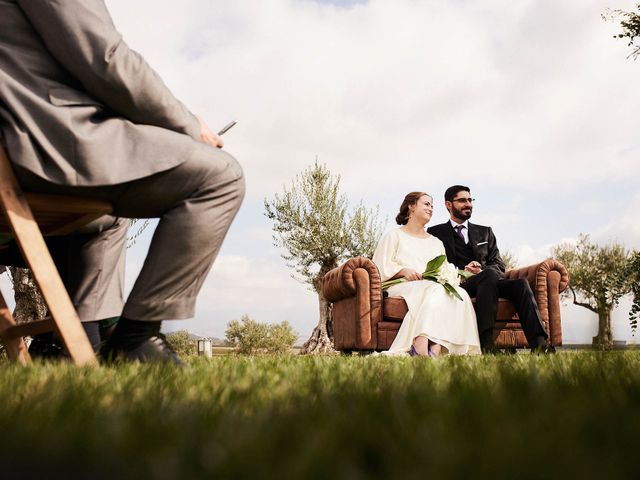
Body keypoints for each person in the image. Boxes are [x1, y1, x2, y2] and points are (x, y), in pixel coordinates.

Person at [0, 0, 245, 362]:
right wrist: (190, 127)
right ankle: (135, 339)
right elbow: (105, 58)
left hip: (18, 149)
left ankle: (72, 345)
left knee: (106, 220)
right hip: (35, 143)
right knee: (220, 175)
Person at [427, 185, 551, 353]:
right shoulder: (435, 232)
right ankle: (486, 344)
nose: (468, 204)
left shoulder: (485, 232)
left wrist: (482, 270)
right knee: (488, 275)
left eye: (470, 200)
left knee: (520, 284)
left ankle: (540, 345)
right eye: (463, 200)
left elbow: (499, 265)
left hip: (489, 281)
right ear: (448, 204)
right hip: (460, 284)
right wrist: (464, 270)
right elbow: (437, 265)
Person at [373, 192, 481, 356]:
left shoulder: (436, 242)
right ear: (411, 206)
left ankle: (436, 346)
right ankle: (424, 343)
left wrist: (460, 272)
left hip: (431, 287)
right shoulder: (394, 236)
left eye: (432, 206)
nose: (430, 208)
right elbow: (379, 267)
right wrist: (403, 270)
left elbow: (443, 268)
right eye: (426, 204)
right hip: (401, 286)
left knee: (460, 293)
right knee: (435, 290)